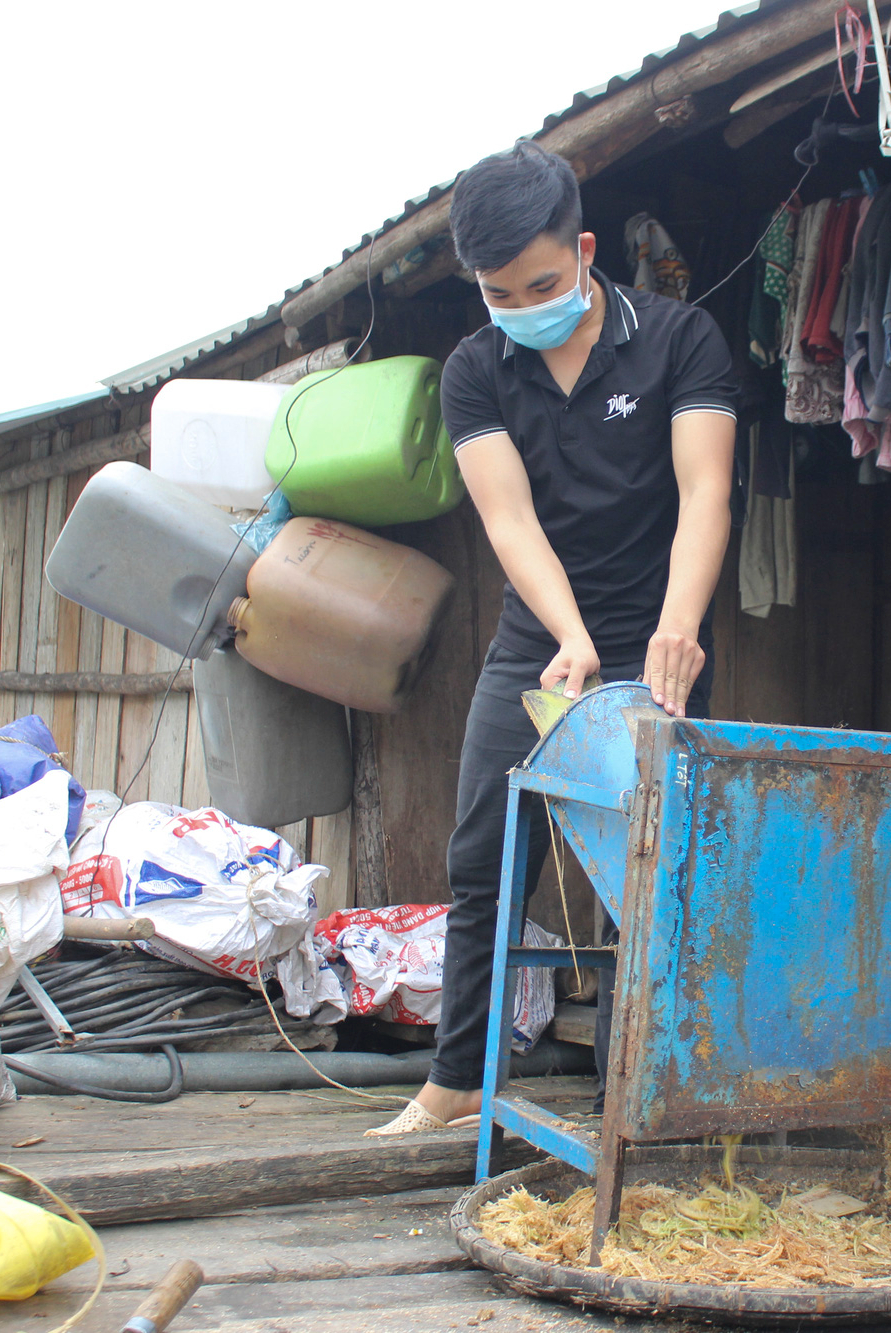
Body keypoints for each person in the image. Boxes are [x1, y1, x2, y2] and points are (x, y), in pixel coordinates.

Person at [369, 141, 737, 1135]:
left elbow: (705, 490)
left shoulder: (678, 338)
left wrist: (677, 627)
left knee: (655, 872)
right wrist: (567, 635)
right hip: (538, 643)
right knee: (484, 856)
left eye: (540, 281)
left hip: (662, 640)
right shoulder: (474, 370)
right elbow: (508, 521)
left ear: (581, 250)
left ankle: (646, 1094)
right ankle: (453, 1084)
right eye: (498, 291)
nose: (523, 302)